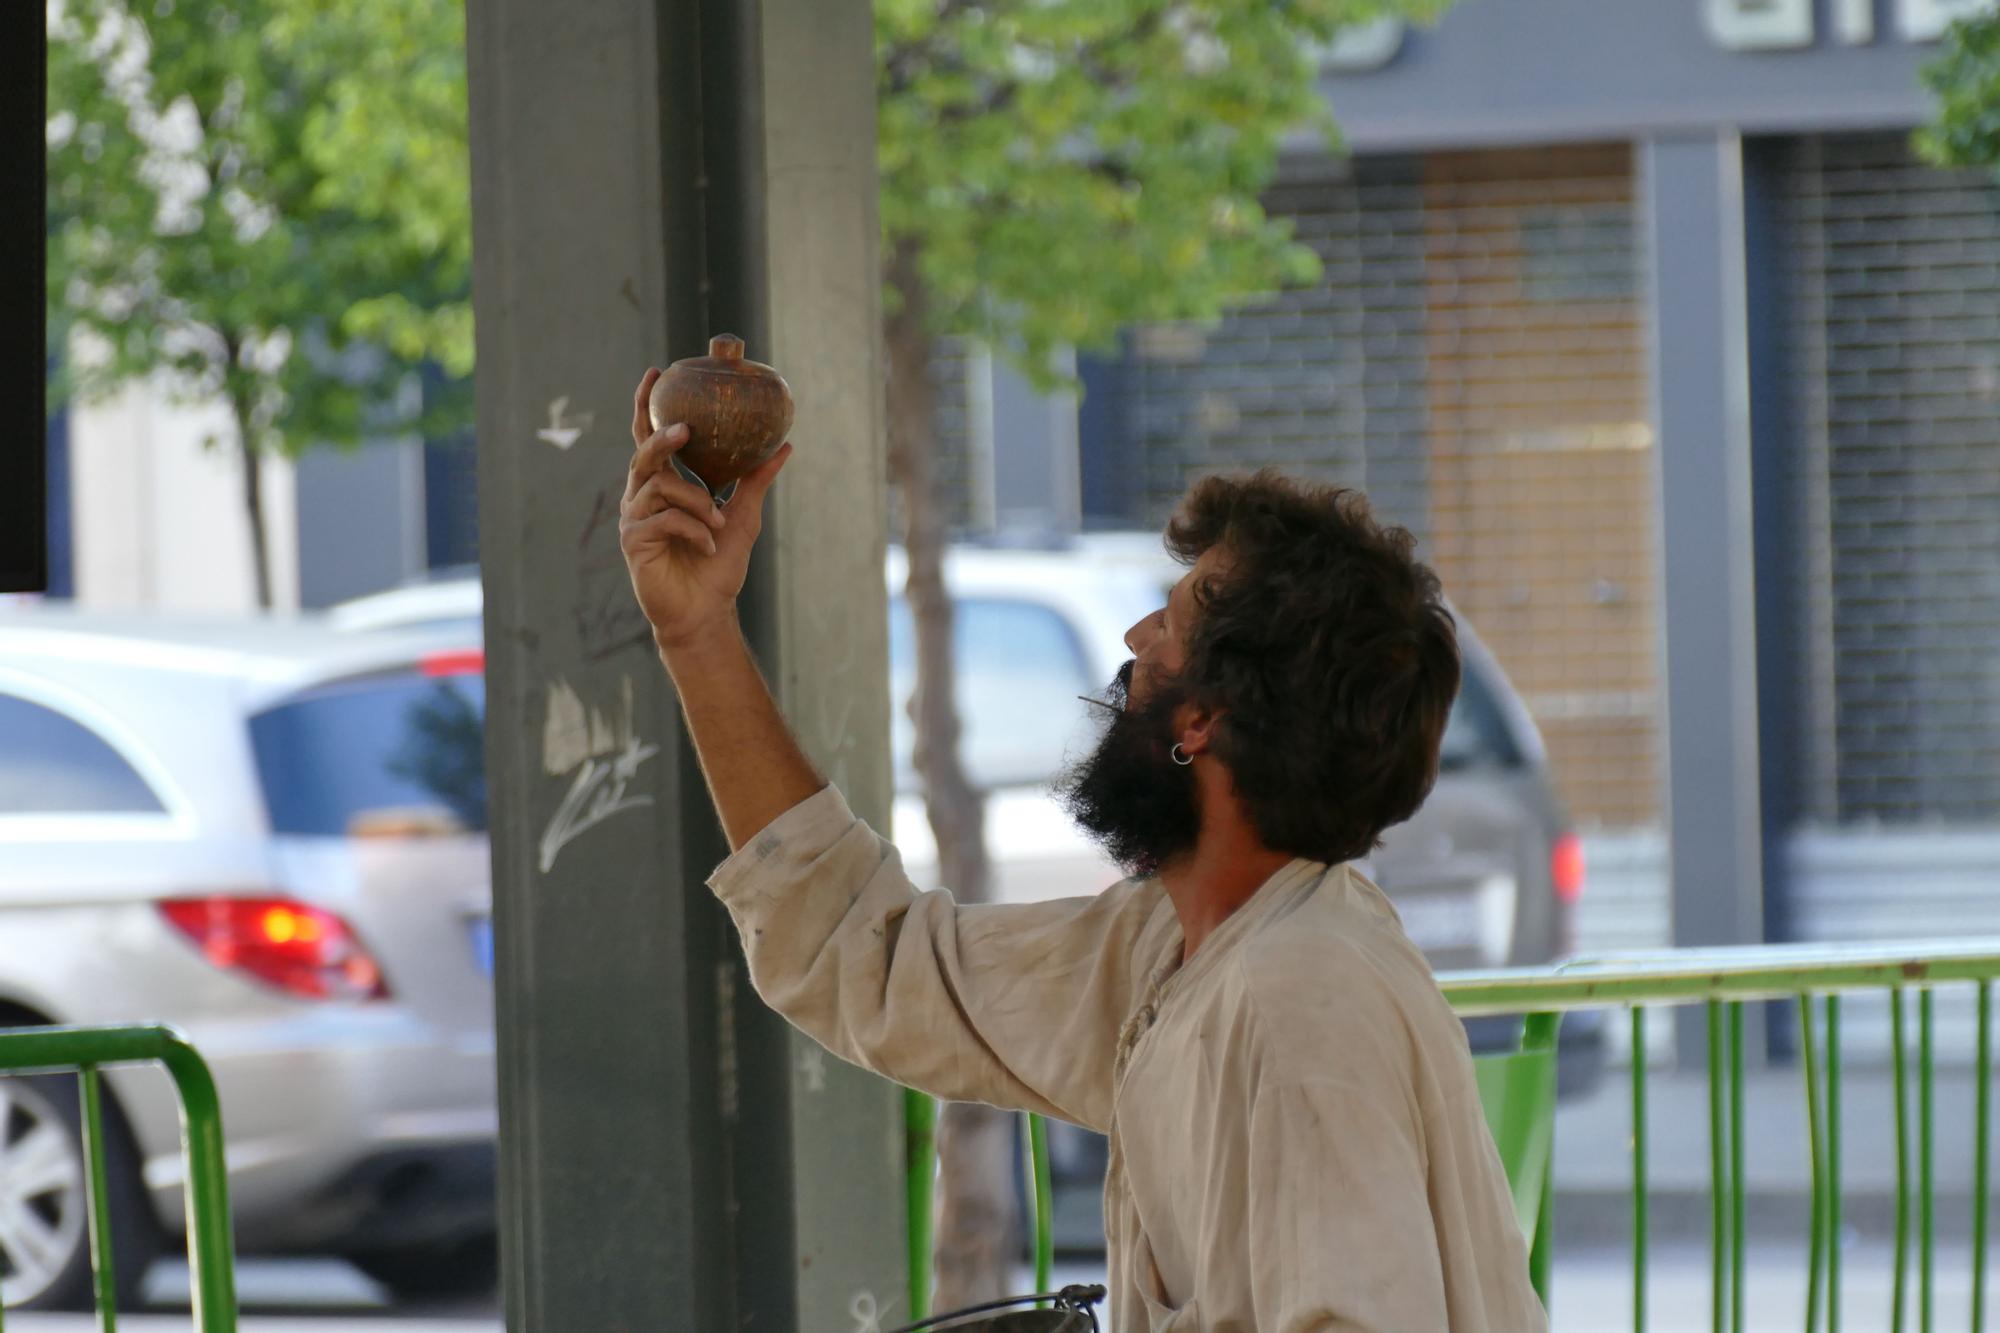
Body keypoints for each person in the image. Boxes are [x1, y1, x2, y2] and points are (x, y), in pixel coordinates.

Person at [618, 370, 1547, 1333]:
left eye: (1169, 624)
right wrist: (697, 631)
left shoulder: (1299, 1000)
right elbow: (870, 957)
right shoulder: (1175, 952)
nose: (1136, 639)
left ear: (1201, 720)